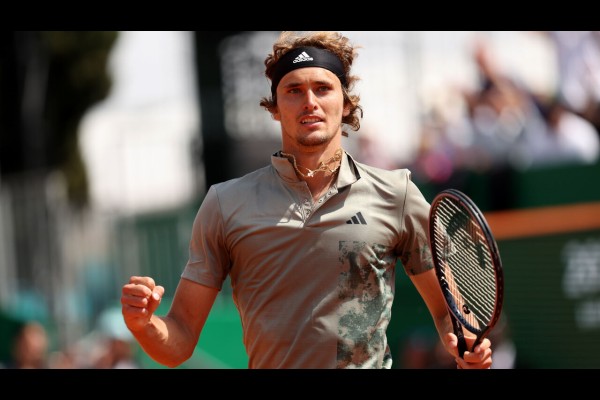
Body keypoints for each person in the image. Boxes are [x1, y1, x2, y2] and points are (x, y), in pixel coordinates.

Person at [121, 31, 493, 369]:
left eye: (322, 88)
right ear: (275, 107)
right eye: (294, 90)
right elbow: (179, 342)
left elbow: (450, 314)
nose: (310, 102)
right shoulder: (224, 204)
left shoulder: (397, 193)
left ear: (345, 103)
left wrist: (469, 348)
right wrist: (143, 323)